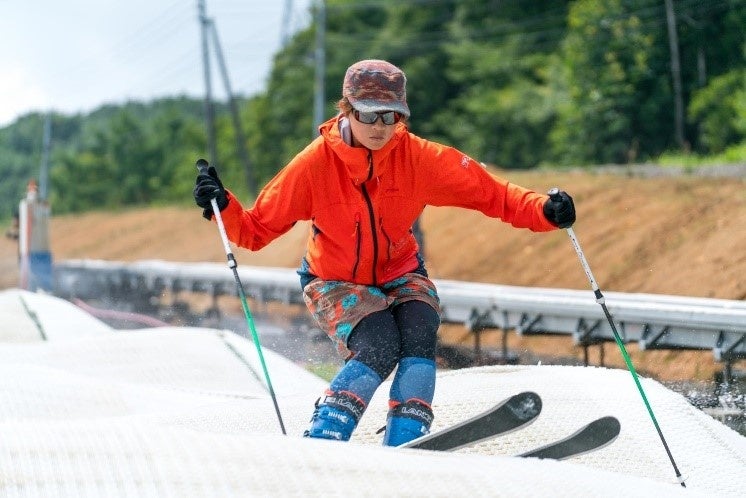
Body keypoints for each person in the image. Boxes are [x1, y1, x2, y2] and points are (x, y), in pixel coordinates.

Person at [193, 59, 575, 446]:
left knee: (420, 328)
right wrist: (222, 205)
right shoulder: (313, 165)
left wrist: (544, 210)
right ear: (347, 109)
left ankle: (406, 435)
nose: (380, 127)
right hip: (334, 280)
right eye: (369, 115)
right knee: (379, 344)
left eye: (391, 116)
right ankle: (327, 430)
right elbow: (256, 230)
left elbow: (491, 193)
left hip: (400, 270)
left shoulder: (420, 159)